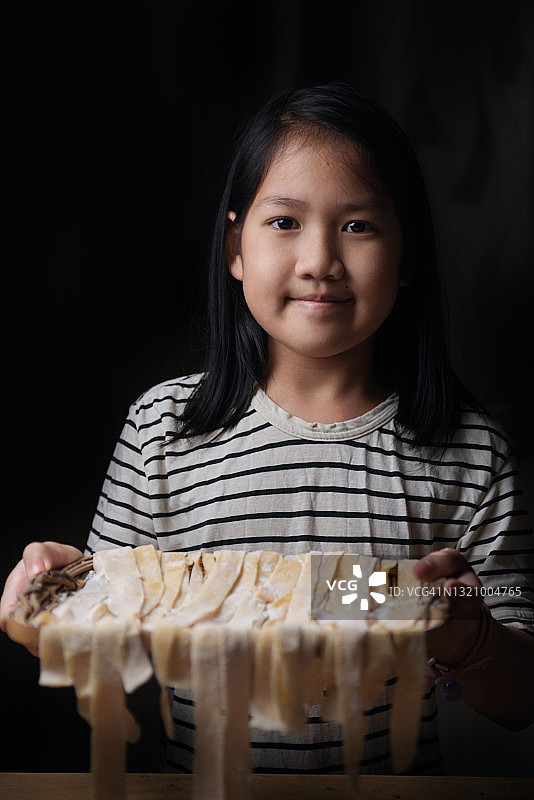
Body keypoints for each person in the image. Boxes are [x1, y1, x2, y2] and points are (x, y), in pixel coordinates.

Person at [1, 83, 533, 776]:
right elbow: (101, 632)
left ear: (408, 256)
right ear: (235, 248)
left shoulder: (469, 453)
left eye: (359, 225)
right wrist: (45, 604)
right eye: (284, 222)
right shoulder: (164, 428)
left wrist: (468, 637)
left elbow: (519, 697)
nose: (319, 260)